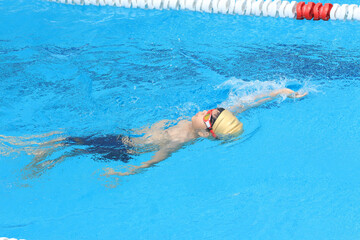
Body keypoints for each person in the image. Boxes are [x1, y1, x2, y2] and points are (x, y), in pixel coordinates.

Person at [1, 87, 307, 178]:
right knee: (71, 146)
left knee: (63, 139)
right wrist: (284, 91)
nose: (207, 111)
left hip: (123, 147)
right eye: (213, 110)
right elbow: (248, 102)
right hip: (121, 138)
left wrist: (128, 173)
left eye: (210, 117)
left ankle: (20, 151)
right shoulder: (208, 121)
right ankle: (38, 159)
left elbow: (159, 157)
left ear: (207, 133)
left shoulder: (183, 136)